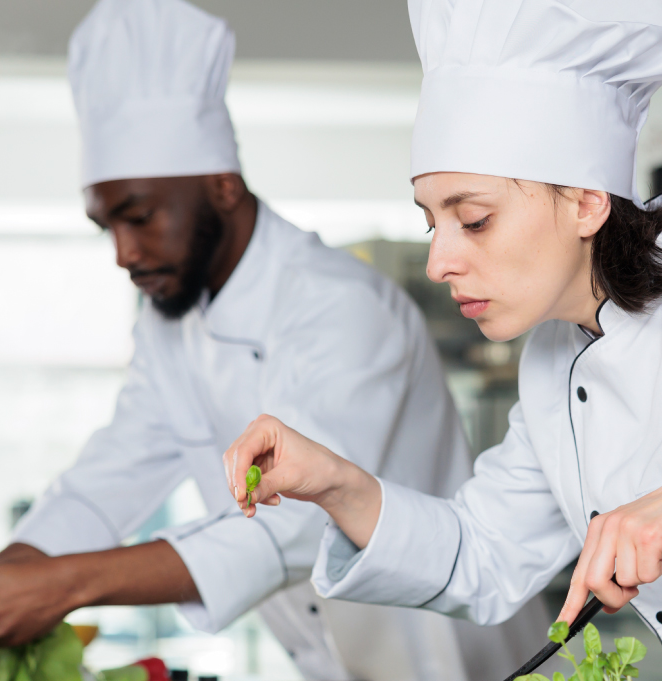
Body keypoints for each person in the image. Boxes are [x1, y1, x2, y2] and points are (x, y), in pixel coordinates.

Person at [0, 0, 546, 681]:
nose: (125, 252)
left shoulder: (340, 304)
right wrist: (2, 578)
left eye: (140, 215)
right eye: (107, 227)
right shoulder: (170, 323)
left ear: (221, 185)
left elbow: (300, 523)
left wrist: (64, 585)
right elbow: (111, 474)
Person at [223, 0, 662, 641]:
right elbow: (481, 554)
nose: (438, 263)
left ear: (587, 202)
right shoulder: (550, 364)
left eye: (475, 219)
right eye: (432, 223)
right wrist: (335, 482)